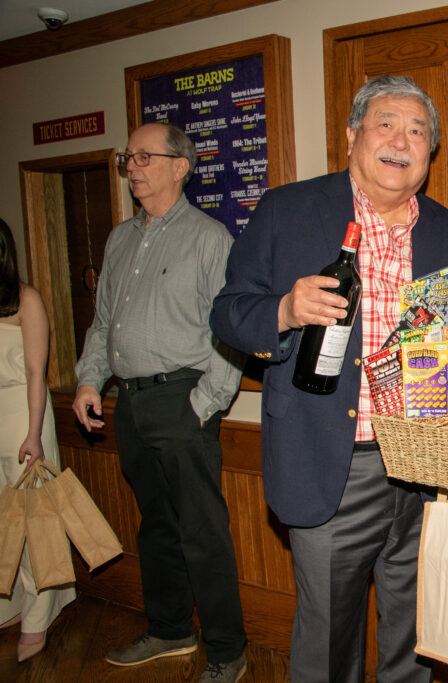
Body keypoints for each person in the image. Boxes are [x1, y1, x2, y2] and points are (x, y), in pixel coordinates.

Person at [210, 75, 448, 682]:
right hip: (331, 462)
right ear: (353, 134)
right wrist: (285, 310)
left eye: (417, 131)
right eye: (386, 123)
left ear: (431, 152)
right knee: (329, 644)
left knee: (417, 638)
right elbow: (227, 312)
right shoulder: (287, 210)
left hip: (427, 469)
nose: (401, 141)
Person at [71, 123, 247, 682]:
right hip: (130, 402)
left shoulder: (209, 238)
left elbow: (230, 330)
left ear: (180, 167)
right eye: (129, 157)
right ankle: (170, 629)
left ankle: (227, 652)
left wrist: (205, 403)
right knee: (155, 528)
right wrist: (89, 381)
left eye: (145, 157)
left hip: (182, 400)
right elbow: (104, 323)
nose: (133, 166)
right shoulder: (119, 239)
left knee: (201, 532)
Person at [0, 217, 76, 662]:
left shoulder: (26, 299)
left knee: (34, 521)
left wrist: (33, 433)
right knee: (4, 522)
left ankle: (38, 615)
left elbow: (35, 372)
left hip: (25, 417)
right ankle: (11, 603)